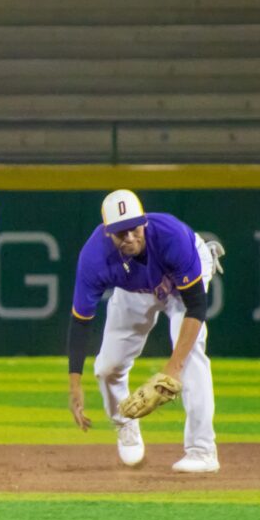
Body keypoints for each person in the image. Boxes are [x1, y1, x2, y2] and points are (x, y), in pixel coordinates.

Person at [66, 189, 223, 473]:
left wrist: (172, 369)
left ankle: (202, 450)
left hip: (182, 281)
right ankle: (126, 426)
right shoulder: (94, 258)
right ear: (107, 234)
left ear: (144, 223)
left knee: (190, 357)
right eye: (120, 233)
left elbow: (197, 307)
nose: (129, 237)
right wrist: (74, 383)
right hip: (134, 286)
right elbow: (81, 321)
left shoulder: (170, 235)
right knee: (107, 367)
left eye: (134, 228)